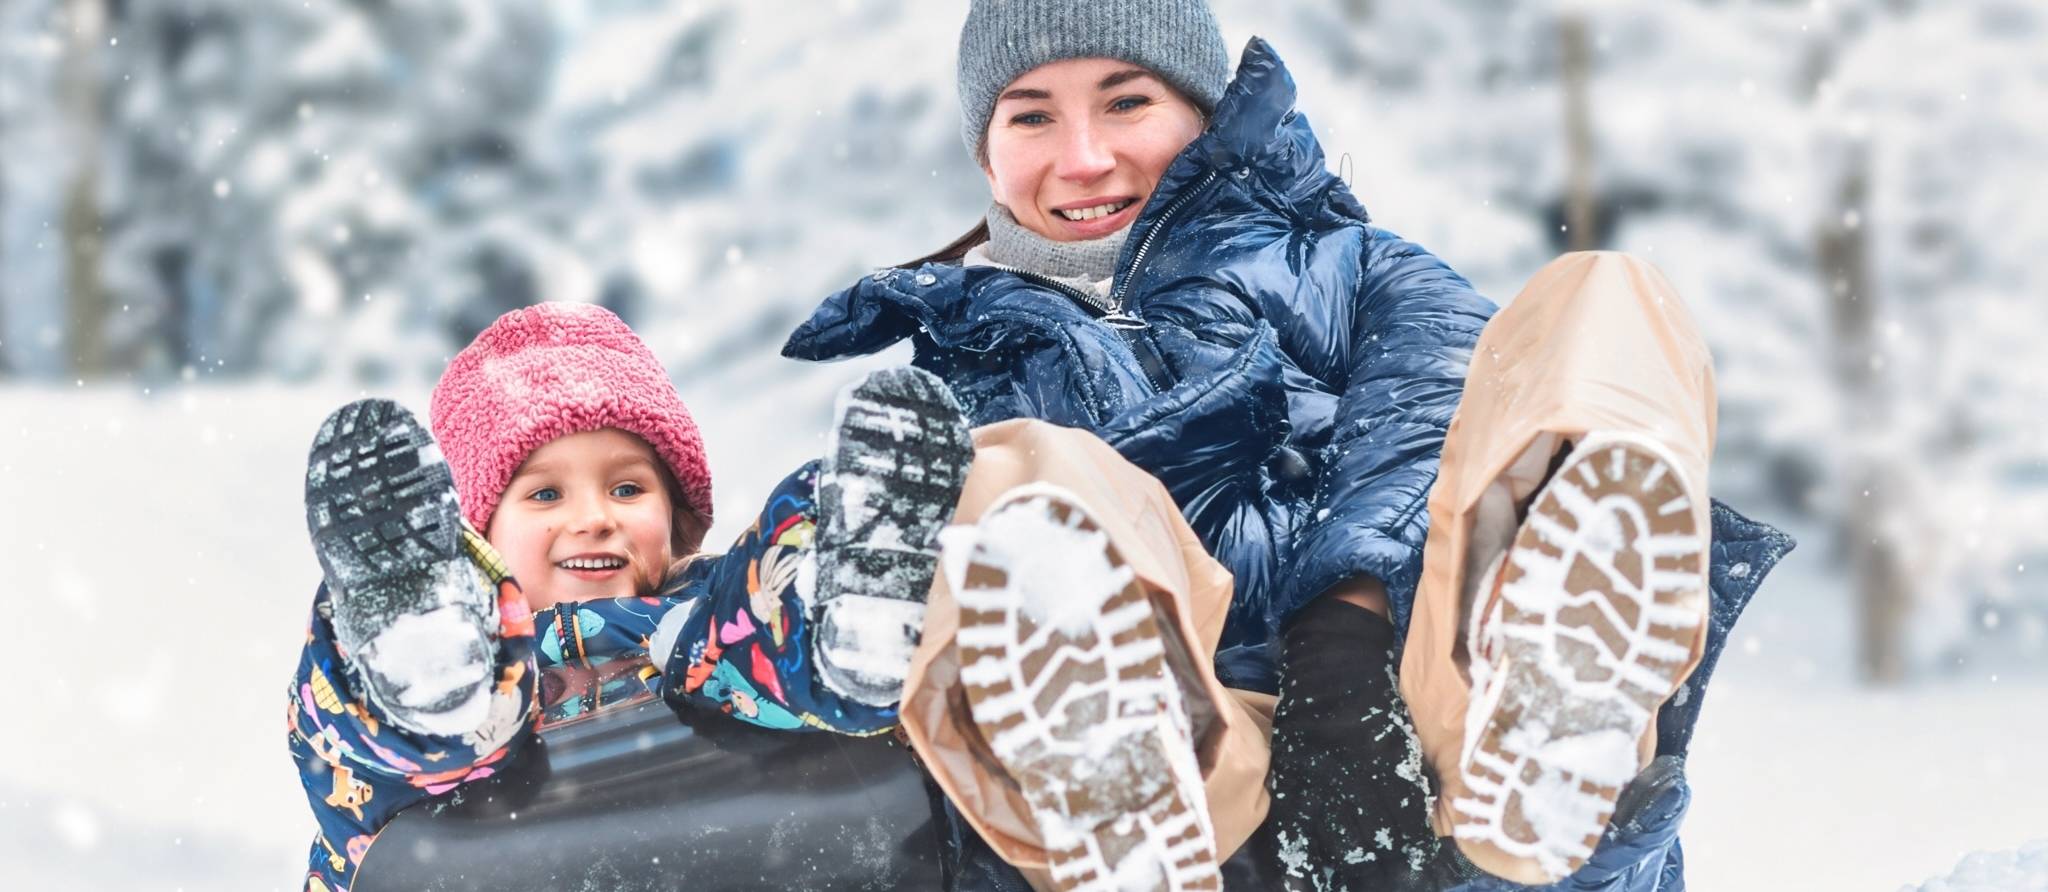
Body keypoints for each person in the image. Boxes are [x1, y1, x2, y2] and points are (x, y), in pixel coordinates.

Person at [782, 2, 1793, 890]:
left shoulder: (1352, 269)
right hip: (1203, 790)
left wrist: (1341, 636)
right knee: (1004, 477)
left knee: (1603, 303)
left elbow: (1430, 409)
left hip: (1429, 737)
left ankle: (1542, 730)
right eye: (1031, 115)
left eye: (1126, 101)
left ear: (1201, 110)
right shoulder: (955, 378)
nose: (1082, 155)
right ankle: (1121, 799)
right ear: (984, 151)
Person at [286, 301, 976, 891]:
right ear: (479, 538)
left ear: (675, 516)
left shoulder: (706, 618)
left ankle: (849, 615)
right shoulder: (499, 676)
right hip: (462, 799)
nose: (594, 517)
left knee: (749, 620)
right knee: (402, 734)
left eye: (627, 489)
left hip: (728, 760)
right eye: (546, 494)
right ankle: (419, 664)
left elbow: (735, 623)